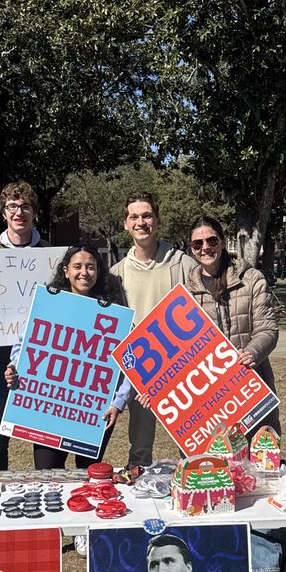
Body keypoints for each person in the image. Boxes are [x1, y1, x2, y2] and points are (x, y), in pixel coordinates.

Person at [4, 245, 132, 469]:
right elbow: (23, 346)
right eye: (78, 266)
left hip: (94, 412)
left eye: (91, 267)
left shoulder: (113, 314)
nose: (84, 272)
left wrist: (118, 403)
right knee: (47, 475)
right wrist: (14, 368)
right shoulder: (47, 306)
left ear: (98, 272)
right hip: (48, 410)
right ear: (65, 271)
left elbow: (129, 363)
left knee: (88, 476)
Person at [110, 193, 189, 469]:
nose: (141, 222)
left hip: (182, 366)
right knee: (140, 445)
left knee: (190, 440)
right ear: (125, 224)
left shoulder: (182, 263)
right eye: (134, 217)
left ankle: (197, 486)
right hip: (141, 369)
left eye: (147, 216)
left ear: (157, 220)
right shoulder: (116, 274)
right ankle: (140, 489)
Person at [184, 215, 280, 434]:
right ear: (191, 248)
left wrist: (252, 352)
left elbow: (268, 329)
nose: (205, 248)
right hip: (209, 395)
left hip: (251, 383)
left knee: (260, 456)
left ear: (223, 241)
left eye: (212, 241)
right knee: (217, 461)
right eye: (197, 244)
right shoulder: (186, 292)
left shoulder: (252, 279)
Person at [0, 181, 48, 470]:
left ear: (34, 213)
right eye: (12, 206)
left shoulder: (51, 253)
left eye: (25, 207)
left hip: (43, 356)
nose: (18, 212)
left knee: (45, 435)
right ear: (4, 213)